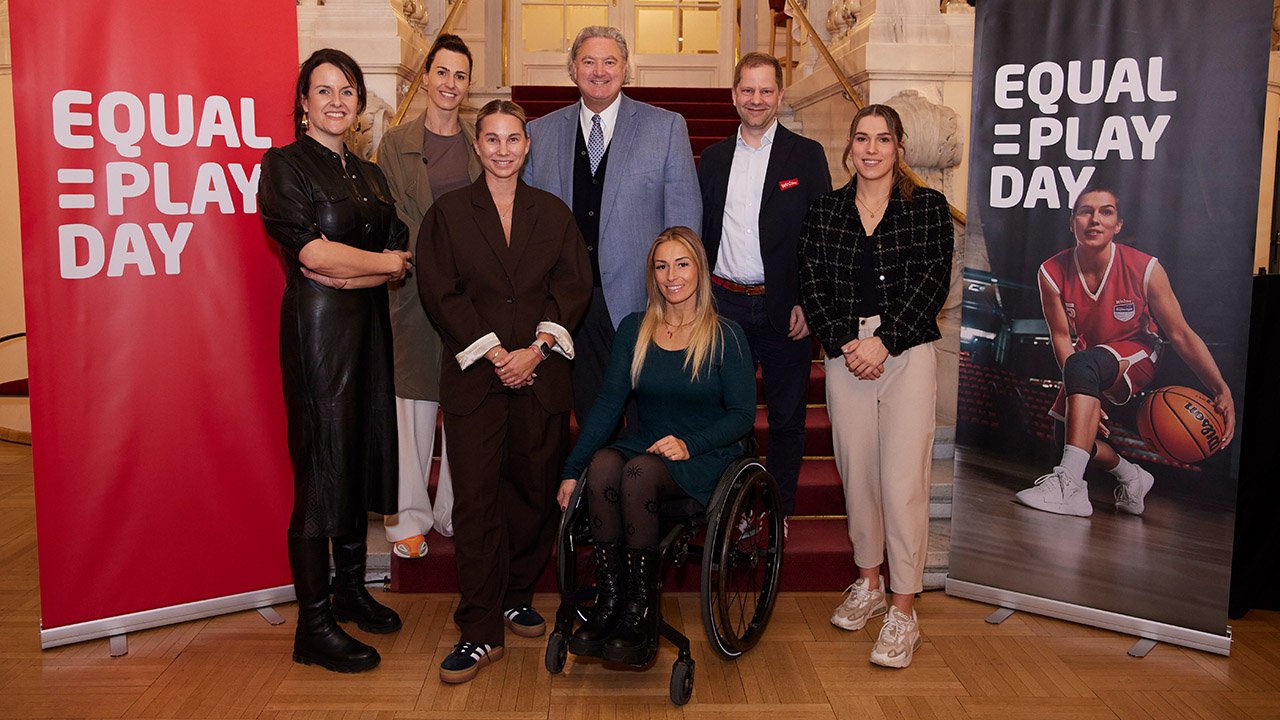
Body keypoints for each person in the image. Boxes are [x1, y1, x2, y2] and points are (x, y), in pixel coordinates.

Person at [418, 99, 592, 684]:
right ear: (477, 146)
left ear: (526, 145)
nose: (501, 149)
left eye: (512, 139)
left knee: (532, 491)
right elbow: (442, 293)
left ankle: (517, 592)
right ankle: (478, 627)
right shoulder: (448, 214)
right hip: (476, 380)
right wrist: (496, 352)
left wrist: (535, 350)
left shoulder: (553, 212)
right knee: (475, 502)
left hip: (539, 376)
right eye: (490, 139)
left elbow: (572, 286)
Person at [258, 48, 411, 673]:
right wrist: (368, 266)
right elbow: (314, 257)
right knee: (322, 468)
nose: (337, 101)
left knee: (357, 454)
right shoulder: (284, 165)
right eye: (324, 90)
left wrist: (358, 271)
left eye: (348, 90)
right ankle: (313, 625)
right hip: (318, 339)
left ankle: (350, 589)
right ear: (303, 101)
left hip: (368, 332)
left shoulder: (371, 175)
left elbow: (402, 249)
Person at [556, 227, 756, 665]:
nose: (672, 276)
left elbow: (742, 416)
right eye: (661, 266)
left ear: (699, 271)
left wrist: (690, 443)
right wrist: (573, 469)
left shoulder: (726, 335)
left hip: (705, 454)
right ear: (653, 275)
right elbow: (609, 404)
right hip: (649, 445)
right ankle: (612, 601)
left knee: (637, 471)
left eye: (682, 264)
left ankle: (641, 610)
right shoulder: (635, 329)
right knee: (606, 463)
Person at [798, 104, 953, 669]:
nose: (870, 149)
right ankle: (869, 581)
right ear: (849, 147)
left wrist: (884, 342)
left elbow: (932, 281)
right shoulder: (826, 211)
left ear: (899, 148)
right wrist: (846, 342)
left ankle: (904, 609)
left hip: (906, 353)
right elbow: (811, 284)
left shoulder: (928, 208)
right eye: (861, 138)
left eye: (882, 139)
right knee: (857, 473)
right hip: (846, 356)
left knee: (902, 479)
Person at [1015, 184, 1236, 517]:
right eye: (1085, 211)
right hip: (1088, 359)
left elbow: (1180, 333)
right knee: (1074, 444)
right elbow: (1061, 336)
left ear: (1118, 225)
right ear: (1072, 221)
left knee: (1083, 367)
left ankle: (1070, 487)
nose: (1095, 220)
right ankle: (1132, 476)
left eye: (1106, 212)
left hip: (1139, 353)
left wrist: (1220, 388)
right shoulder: (1051, 271)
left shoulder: (1145, 268)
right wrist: (1079, 393)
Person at [524, 25, 701, 429]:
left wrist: (678, 296)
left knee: (647, 421)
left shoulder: (666, 126)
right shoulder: (542, 132)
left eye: (610, 61)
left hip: (642, 302)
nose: (599, 71)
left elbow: (684, 223)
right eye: (588, 61)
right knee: (589, 419)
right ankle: (593, 491)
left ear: (626, 69)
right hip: (570, 303)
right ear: (573, 69)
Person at [698, 52, 831, 521]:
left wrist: (809, 304)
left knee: (788, 419)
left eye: (766, 90)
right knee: (724, 416)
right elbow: (700, 234)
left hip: (784, 312)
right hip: (722, 307)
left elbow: (821, 238)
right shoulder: (711, 160)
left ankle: (778, 515)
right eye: (748, 90)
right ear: (734, 95)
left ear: (779, 95)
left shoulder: (806, 155)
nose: (757, 99)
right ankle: (727, 510)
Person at [376, 34, 481, 559]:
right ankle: (410, 518)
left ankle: (454, 513)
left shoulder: (479, 142)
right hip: (415, 288)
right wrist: (429, 265)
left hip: (470, 294)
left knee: (464, 404)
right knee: (414, 404)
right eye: (442, 72)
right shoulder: (395, 144)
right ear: (427, 76)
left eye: (460, 76)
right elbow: (390, 218)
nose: (450, 84)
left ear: (468, 84)